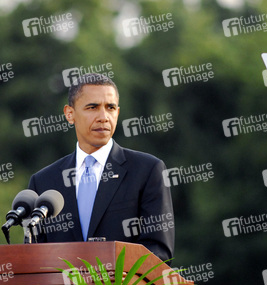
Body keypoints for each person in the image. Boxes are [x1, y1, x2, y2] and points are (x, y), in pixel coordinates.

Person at [27, 73, 174, 262]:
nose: (103, 117)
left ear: (118, 113)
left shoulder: (147, 171)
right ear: (69, 114)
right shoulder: (44, 182)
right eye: (92, 107)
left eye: (110, 108)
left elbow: (159, 250)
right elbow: (34, 258)